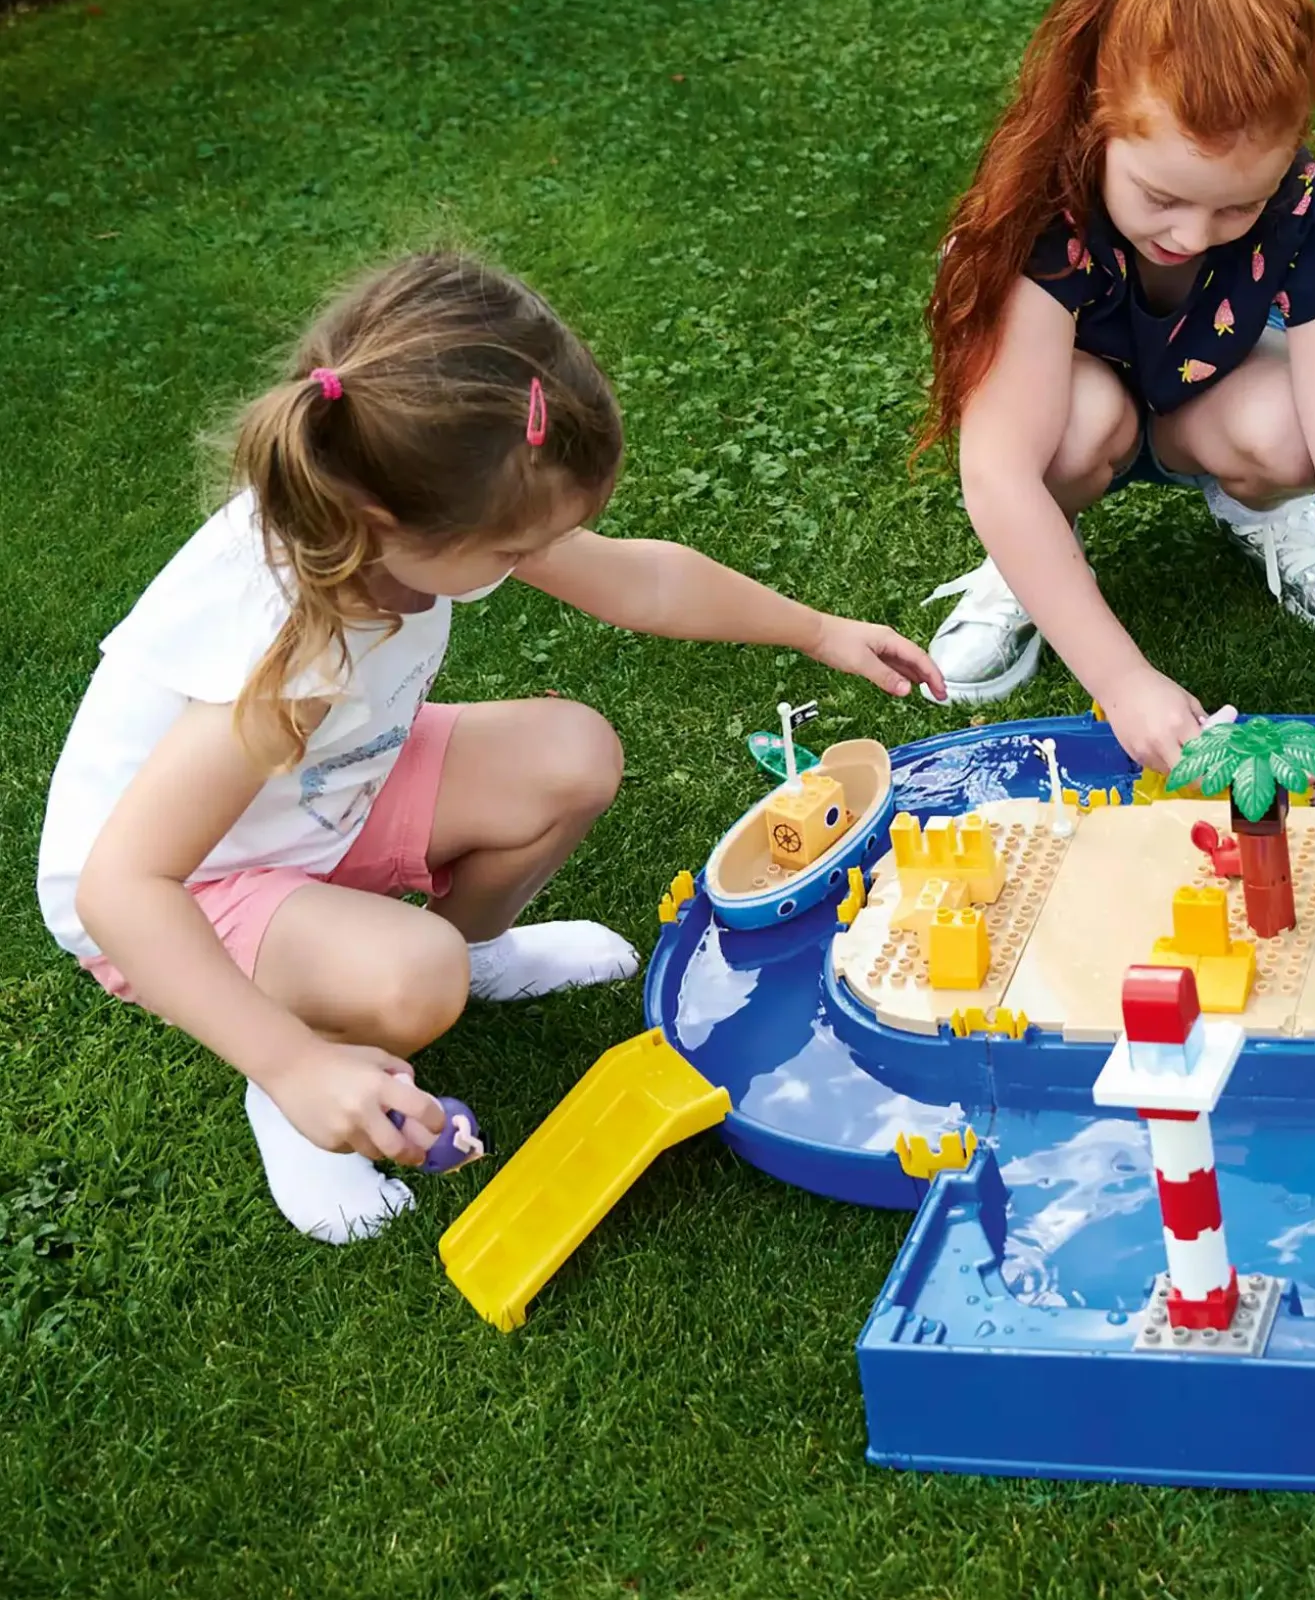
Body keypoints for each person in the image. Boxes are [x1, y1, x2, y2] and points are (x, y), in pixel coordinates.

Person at [38, 251, 943, 1244]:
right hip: (186, 885)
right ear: (387, 521)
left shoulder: (415, 505)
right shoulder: (286, 647)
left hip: (322, 793)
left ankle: (470, 951)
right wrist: (290, 1064)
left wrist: (817, 630)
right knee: (414, 976)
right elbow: (123, 889)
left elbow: (639, 581)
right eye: (513, 551)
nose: (530, 561)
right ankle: (312, 1068)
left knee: (569, 756)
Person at [918, 0, 1315, 781]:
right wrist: (1124, 681)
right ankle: (1032, 560)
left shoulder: (1305, 209)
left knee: (1296, 430)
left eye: (1237, 206)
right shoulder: (1042, 211)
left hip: (1203, 395)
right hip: (1081, 409)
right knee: (1068, 434)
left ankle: (1261, 506)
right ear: (1101, 122)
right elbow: (997, 468)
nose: (1193, 234)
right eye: (1161, 197)